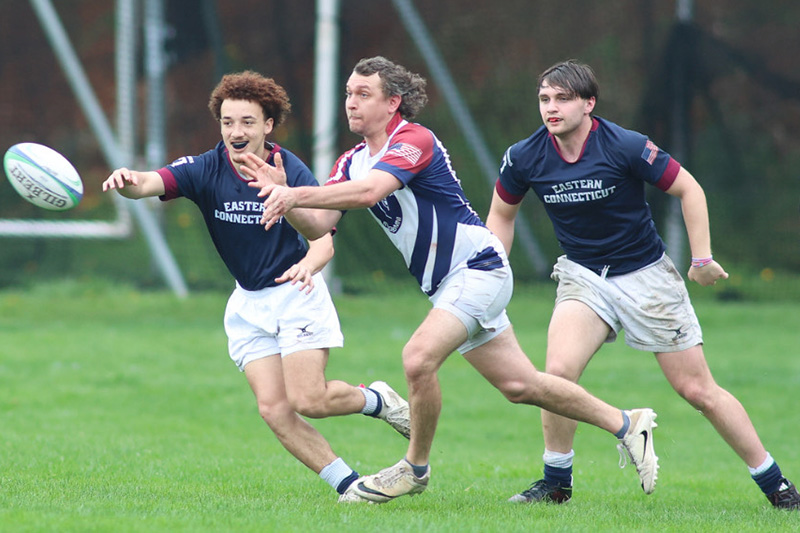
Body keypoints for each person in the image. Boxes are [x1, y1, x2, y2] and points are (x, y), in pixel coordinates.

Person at [241, 56, 660, 504]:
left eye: (364, 94)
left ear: (393, 103)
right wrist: (282, 196)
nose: (351, 103)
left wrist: (294, 192)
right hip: (451, 285)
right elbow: (319, 225)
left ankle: (413, 469)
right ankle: (627, 423)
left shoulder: (413, 139)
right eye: (348, 93)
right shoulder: (350, 161)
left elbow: (370, 193)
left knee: (417, 358)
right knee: (521, 386)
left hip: (478, 267)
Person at [486, 59, 800, 510]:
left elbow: (689, 189)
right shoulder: (524, 156)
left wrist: (702, 258)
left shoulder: (626, 146)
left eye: (562, 99)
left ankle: (777, 486)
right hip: (583, 275)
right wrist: (493, 271)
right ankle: (556, 482)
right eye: (544, 99)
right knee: (556, 375)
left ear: (589, 103)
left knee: (698, 392)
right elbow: (501, 214)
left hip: (645, 276)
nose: (550, 108)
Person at [101, 70, 411, 503]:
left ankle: (376, 399)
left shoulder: (289, 168)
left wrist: (306, 260)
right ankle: (349, 485)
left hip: (295, 294)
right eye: (228, 122)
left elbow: (324, 241)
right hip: (247, 303)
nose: (236, 131)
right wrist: (127, 181)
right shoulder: (206, 168)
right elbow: (150, 182)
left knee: (310, 399)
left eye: (247, 122)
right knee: (274, 409)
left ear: (267, 125)